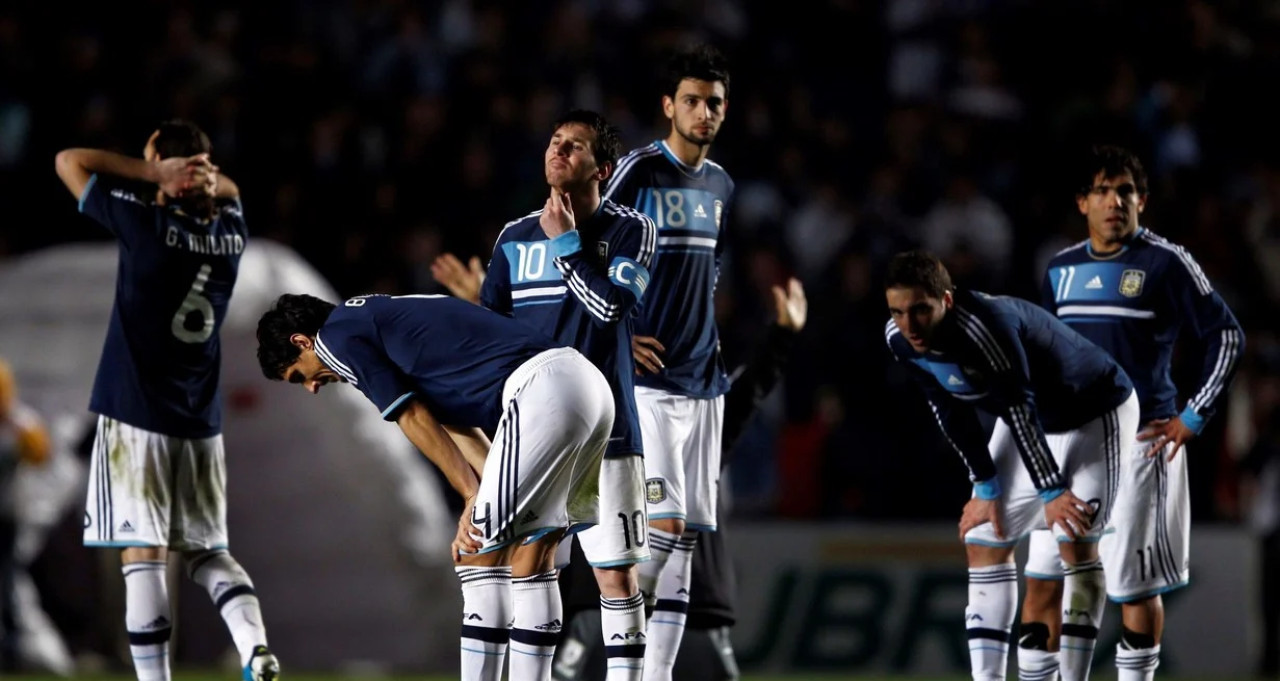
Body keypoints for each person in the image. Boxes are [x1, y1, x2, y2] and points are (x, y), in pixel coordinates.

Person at [255, 292, 613, 681]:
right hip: (585, 386)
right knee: (534, 556)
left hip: (543, 393)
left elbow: (411, 414)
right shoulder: (379, 319)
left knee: (475, 553)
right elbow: (454, 421)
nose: (310, 386)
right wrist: (484, 490)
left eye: (298, 374)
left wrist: (472, 495)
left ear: (301, 341)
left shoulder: (335, 338)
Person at [54, 121, 280, 681]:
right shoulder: (231, 232)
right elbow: (228, 191)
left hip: (137, 416)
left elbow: (68, 161)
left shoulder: (145, 225)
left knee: (142, 555)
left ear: (165, 169)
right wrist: (197, 176)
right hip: (199, 423)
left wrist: (147, 173)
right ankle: (255, 646)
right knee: (207, 553)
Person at [439, 109, 656, 681]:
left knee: (615, 575)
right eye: (555, 141)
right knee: (527, 563)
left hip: (609, 433)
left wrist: (566, 246)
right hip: (533, 430)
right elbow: (494, 338)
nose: (559, 151)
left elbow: (612, 310)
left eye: (575, 147)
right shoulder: (513, 237)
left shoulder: (631, 229)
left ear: (601, 168)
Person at [1024, 145, 1245, 681]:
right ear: (1082, 203)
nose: (1113, 201)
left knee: (1134, 590)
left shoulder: (1166, 262)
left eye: (1124, 191)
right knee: (1041, 583)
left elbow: (1228, 335)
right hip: (1070, 445)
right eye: (1101, 191)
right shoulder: (1060, 269)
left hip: (1144, 444)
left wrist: (1194, 415)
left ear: (1141, 200)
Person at [883, 251, 1139, 681]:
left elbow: (1020, 407)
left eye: (920, 310)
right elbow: (949, 408)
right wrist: (985, 486)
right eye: (898, 312)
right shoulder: (899, 341)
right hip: (1033, 419)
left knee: (1074, 539)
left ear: (946, 300)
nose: (909, 324)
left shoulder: (985, 328)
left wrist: (1052, 493)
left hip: (1097, 410)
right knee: (985, 534)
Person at [552, 278, 807, 681]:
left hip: (687, 606)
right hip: (609, 598)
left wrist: (781, 337)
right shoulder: (603, 407)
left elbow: (745, 396)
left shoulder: (694, 415)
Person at [599, 44, 735, 681]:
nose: (703, 112)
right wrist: (620, 334)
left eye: (713, 103)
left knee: (684, 541)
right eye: (692, 101)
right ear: (668, 107)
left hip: (706, 383)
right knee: (667, 525)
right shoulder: (637, 173)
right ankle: (613, 648)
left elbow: (706, 274)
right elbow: (587, 253)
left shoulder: (721, 185)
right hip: (649, 383)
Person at [0, 358, 51, 671]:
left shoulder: (19, 421)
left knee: (8, 584)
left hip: (7, 515)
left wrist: (17, 429)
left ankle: (15, 650)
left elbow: (41, 453)